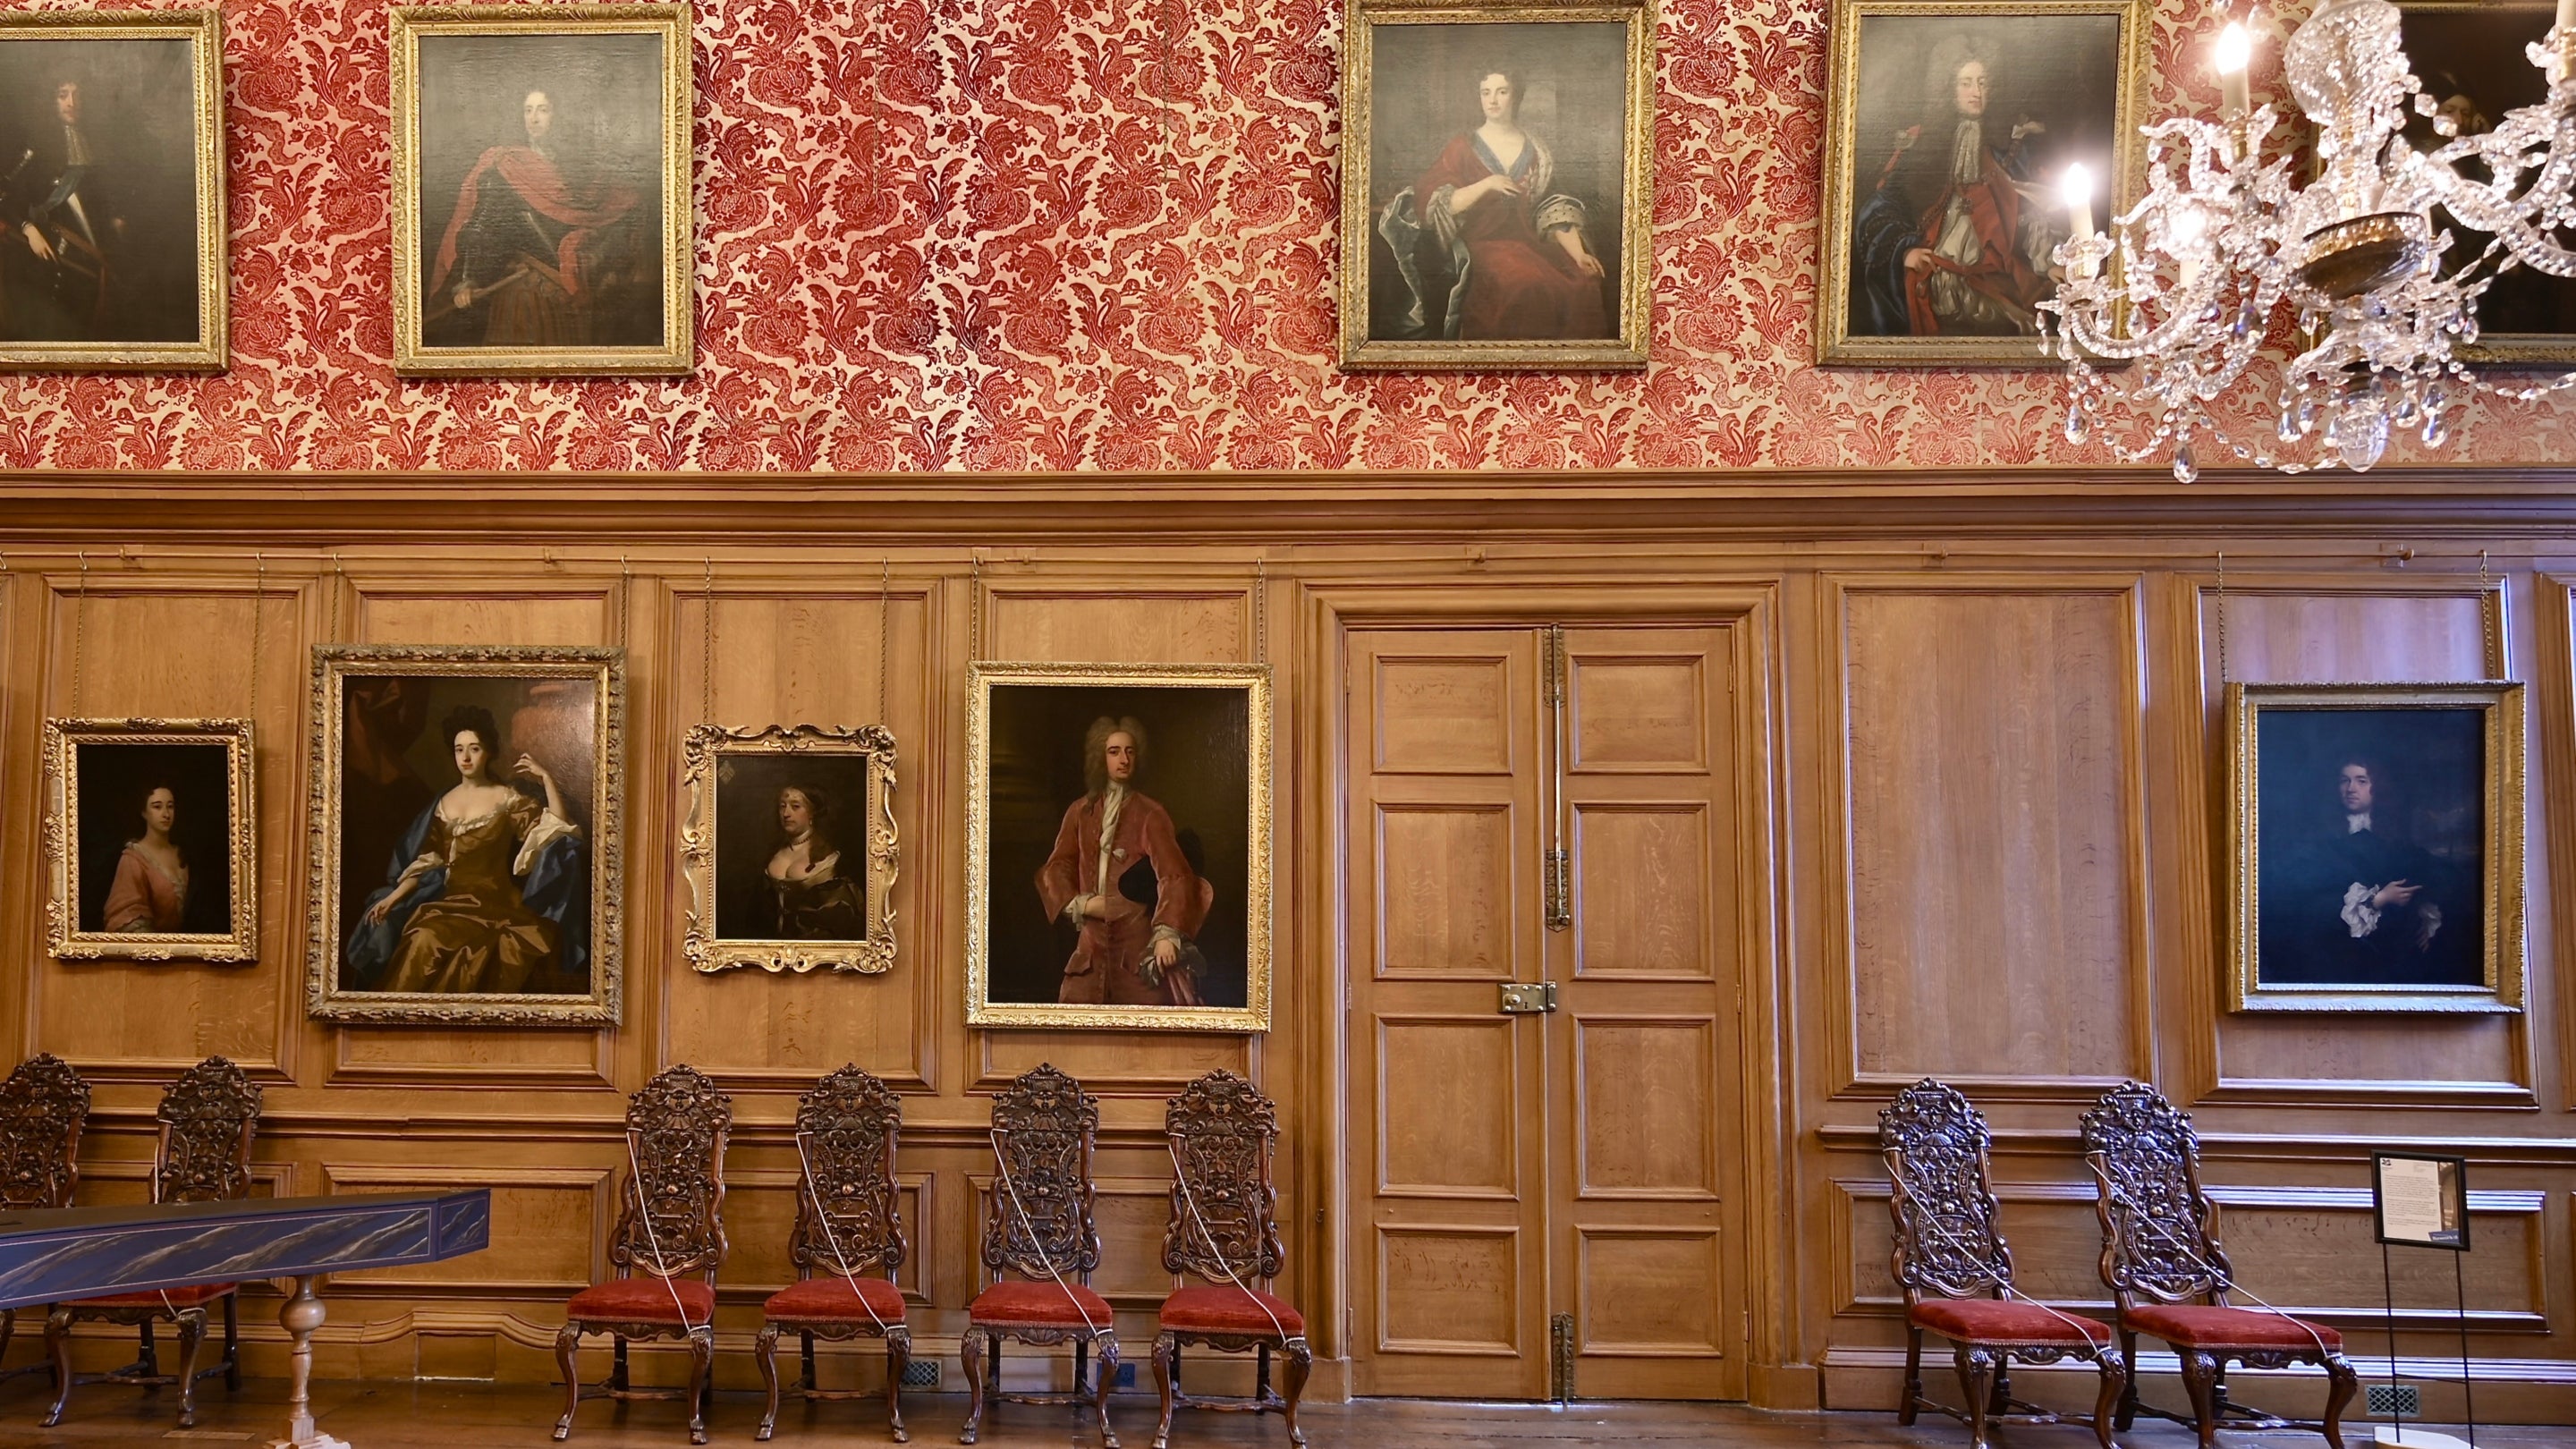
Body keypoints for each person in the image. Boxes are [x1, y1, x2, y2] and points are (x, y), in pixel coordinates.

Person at [344, 705, 589, 995]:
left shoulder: (506, 799)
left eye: (474, 748)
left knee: (443, 942)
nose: (466, 757)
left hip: (496, 905)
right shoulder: (443, 803)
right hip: (449, 904)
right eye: (459, 749)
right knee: (422, 936)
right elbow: (427, 863)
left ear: (488, 752)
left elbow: (557, 826)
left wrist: (546, 778)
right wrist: (393, 899)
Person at [1850, 35, 2064, 337]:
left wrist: (2048, 261)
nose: (1976, 92)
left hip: (1994, 276)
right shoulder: (1922, 149)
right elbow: (1879, 210)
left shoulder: (2006, 151)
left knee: (2025, 324)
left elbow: (2028, 212)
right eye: (1966, 83)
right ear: (1948, 88)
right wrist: (1904, 251)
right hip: (1936, 278)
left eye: (1983, 83)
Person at [1375, 67, 1611, 341]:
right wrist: (1487, 184)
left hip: (1528, 245)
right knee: (1525, 285)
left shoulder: (1537, 150)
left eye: (1502, 91)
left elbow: (1552, 207)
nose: (1493, 100)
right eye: (1486, 92)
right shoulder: (1463, 146)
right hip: (1479, 247)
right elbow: (1436, 202)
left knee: (1584, 282)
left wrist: (1579, 253)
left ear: (1516, 96)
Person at [425, 88, 647, 348]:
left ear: (558, 116)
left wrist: (587, 253)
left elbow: (612, 209)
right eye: (528, 110)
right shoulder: (506, 167)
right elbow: (482, 228)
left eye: (543, 109)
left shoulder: (580, 170)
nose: (534, 118)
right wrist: (468, 280)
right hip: (527, 292)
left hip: (571, 296)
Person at [1034, 716, 1212, 1006]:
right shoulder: (1080, 812)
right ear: (1099, 757)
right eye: (1114, 751)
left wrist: (1167, 932)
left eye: (1130, 751)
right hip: (1090, 954)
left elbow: (1175, 876)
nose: (1123, 759)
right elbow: (1056, 868)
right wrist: (1081, 904)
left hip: (1136, 953)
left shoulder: (1150, 813)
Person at [2259, 757, 2479, 987]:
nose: (2351, 788)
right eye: (2345, 781)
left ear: (2379, 787)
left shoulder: (2395, 842)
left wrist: (2423, 911)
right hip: (2338, 953)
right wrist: (2378, 899)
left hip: (2393, 952)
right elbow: (2305, 903)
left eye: (2361, 781)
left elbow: (2428, 877)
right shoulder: (2320, 843)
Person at [0, 78, 123, 341]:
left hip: (91, 254)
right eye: (63, 95)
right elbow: (7, 196)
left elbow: (101, 199)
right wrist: (29, 229)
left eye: (77, 95)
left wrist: (116, 219)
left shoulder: (91, 142)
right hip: (52, 254)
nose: (72, 103)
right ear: (51, 101)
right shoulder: (36, 148)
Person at [750, 784, 865, 939]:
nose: (786, 813)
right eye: (782, 807)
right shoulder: (772, 852)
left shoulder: (827, 856)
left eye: (795, 807)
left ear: (812, 813)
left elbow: (841, 915)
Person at [99, 783, 187, 933]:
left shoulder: (184, 854)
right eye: (157, 807)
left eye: (170, 806)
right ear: (144, 812)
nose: (166, 814)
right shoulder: (133, 859)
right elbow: (127, 916)